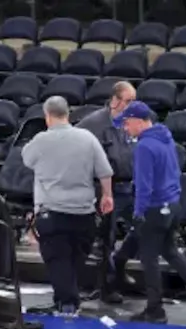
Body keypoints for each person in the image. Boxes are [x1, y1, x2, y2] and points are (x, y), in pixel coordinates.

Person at [116, 101, 186, 324]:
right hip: (172, 205)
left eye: (128, 123)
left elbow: (144, 185)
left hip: (154, 207)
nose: (125, 128)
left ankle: (155, 309)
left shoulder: (144, 147)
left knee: (149, 259)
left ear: (140, 121)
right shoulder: (166, 138)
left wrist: (138, 212)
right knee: (170, 251)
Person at [22, 96, 115, 317]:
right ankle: (67, 299)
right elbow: (105, 171)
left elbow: (26, 160)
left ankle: (67, 304)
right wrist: (107, 196)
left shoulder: (40, 140)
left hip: (52, 212)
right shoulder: (88, 138)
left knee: (58, 260)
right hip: (83, 211)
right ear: (68, 114)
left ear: (47, 116)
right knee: (75, 259)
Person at [78, 81, 138, 304]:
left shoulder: (129, 122)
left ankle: (119, 266)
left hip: (129, 186)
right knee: (105, 239)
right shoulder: (92, 124)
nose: (133, 105)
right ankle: (106, 286)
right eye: (129, 101)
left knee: (143, 228)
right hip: (104, 188)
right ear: (115, 100)